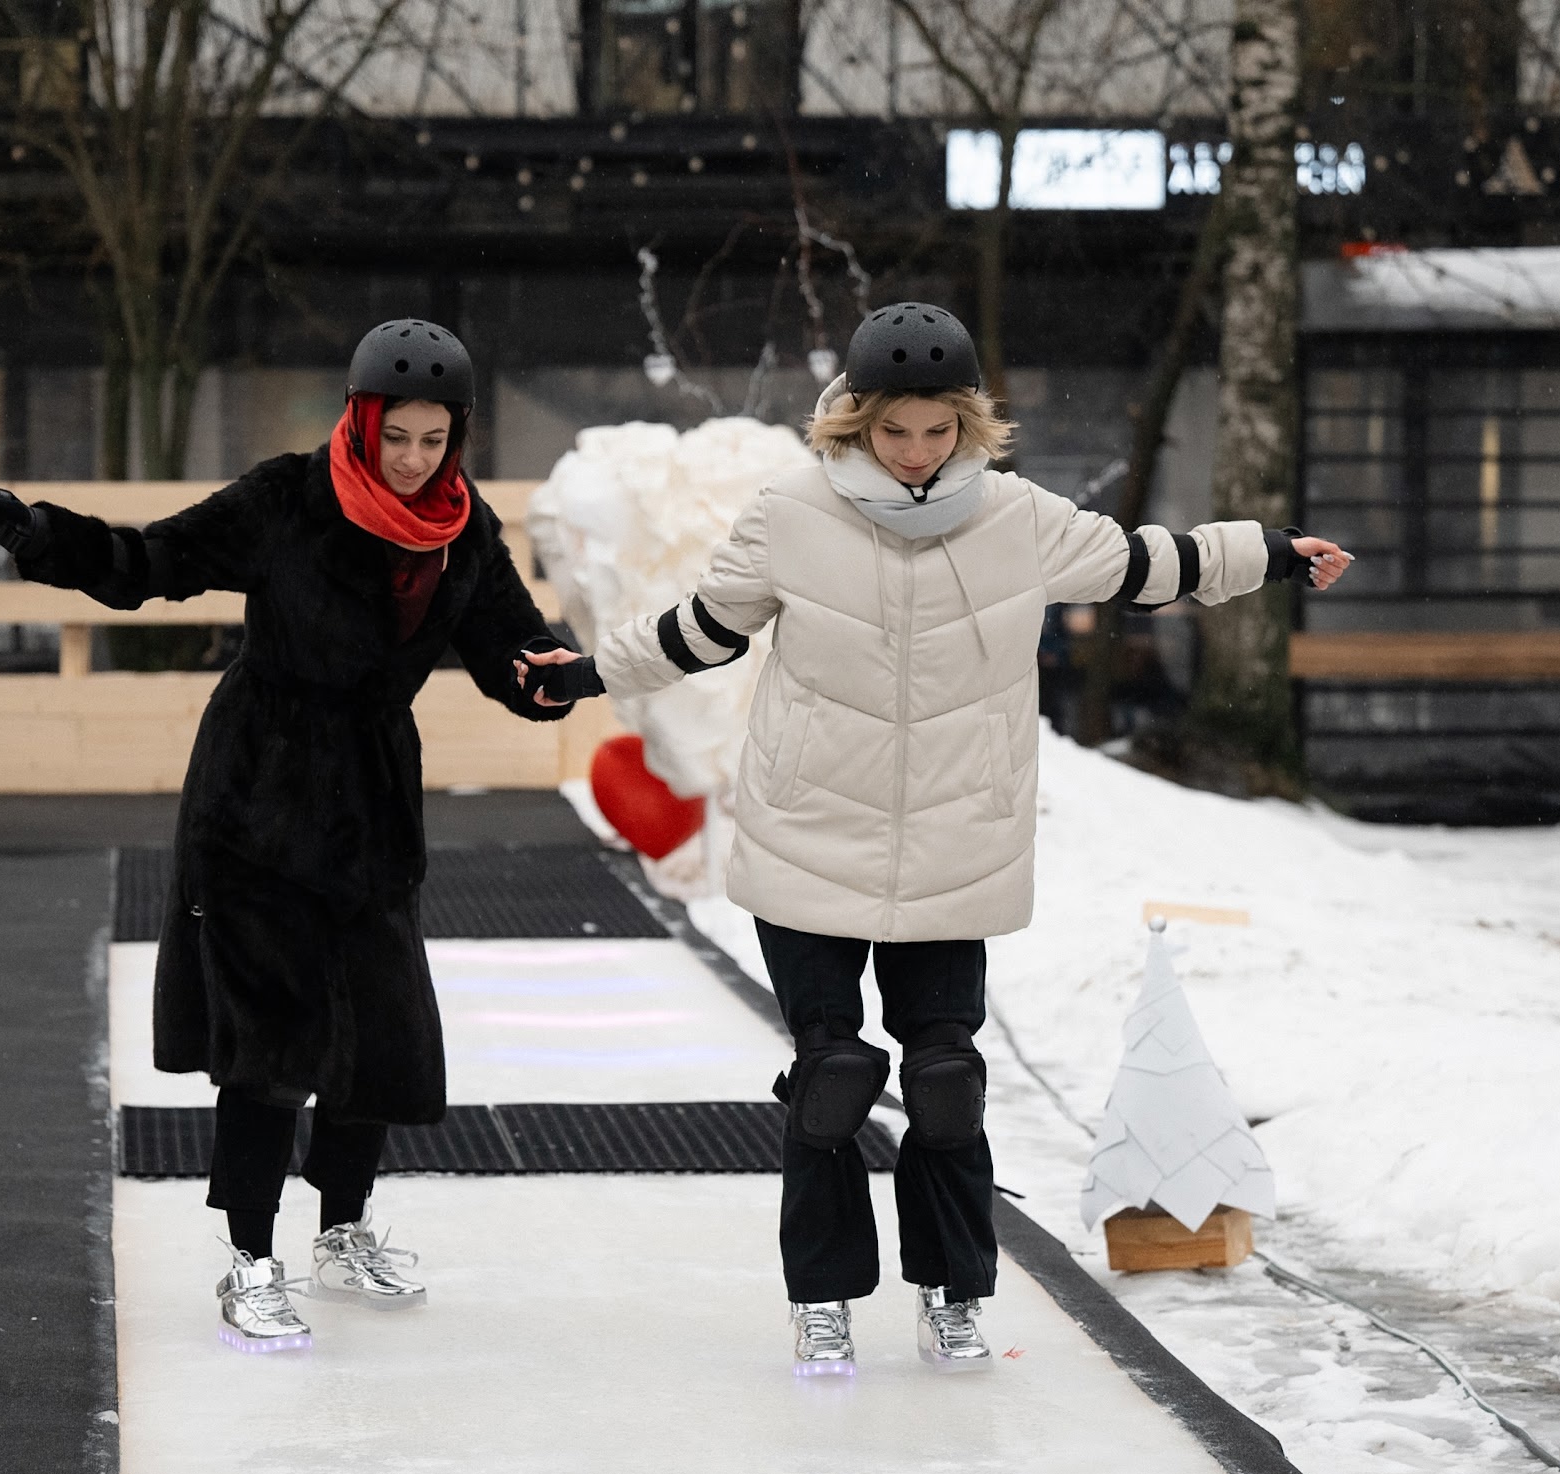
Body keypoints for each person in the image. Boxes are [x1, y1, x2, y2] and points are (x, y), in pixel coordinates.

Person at [518, 303, 1353, 1373]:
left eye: (936, 431)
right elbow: (705, 626)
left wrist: (1271, 552)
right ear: (854, 424)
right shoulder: (790, 512)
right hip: (813, 834)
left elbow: (1143, 563)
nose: (915, 455)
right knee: (829, 1078)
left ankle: (952, 1290)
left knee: (946, 1079)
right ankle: (823, 1296)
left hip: (956, 844)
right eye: (892, 432)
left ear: (967, 425)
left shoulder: (1013, 517)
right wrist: (588, 671)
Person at [0, 320, 581, 1352]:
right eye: (399, 439)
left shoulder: (463, 533)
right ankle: (251, 1258)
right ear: (362, 420)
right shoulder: (290, 497)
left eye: (435, 440)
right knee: (269, 1041)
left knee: (378, 1031)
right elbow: (150, 561)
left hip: (373, 802)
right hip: (259, 792)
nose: (416, 460)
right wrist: (39, 534)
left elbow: (511, 649)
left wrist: (556, 675)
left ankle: (340, 1229)